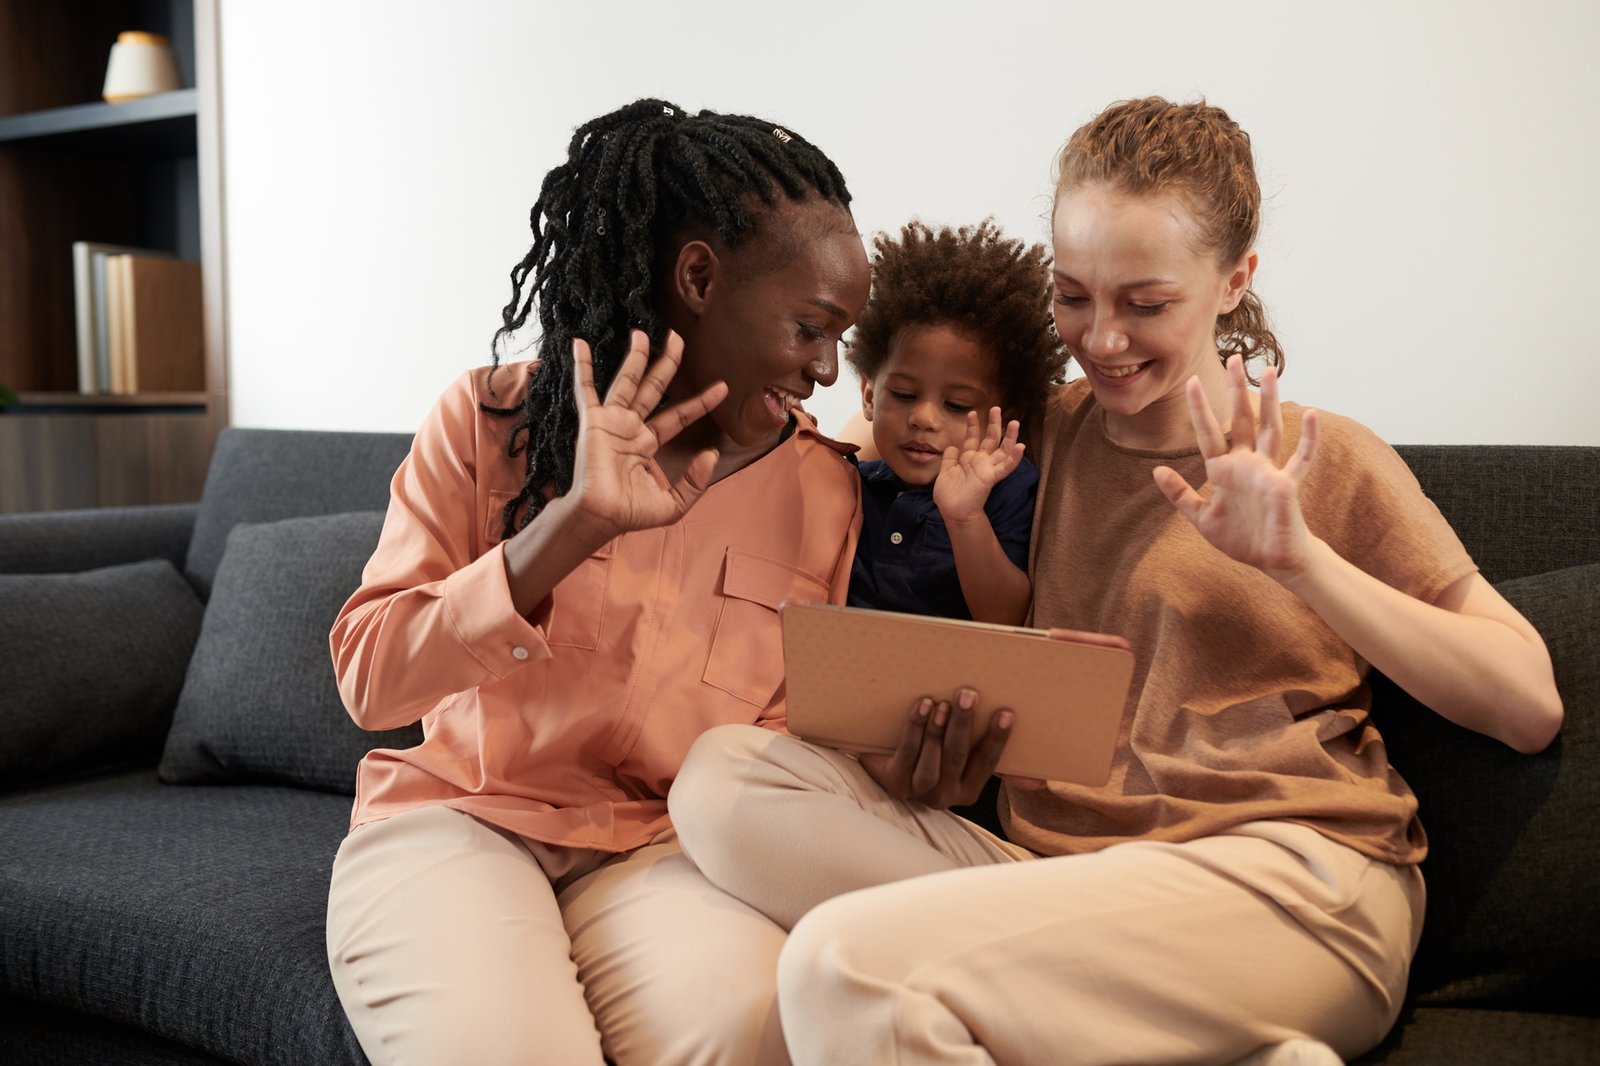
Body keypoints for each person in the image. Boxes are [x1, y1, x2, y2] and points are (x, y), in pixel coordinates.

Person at [667, 96, 1564, 1065]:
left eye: (1144, 303)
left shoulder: (1322, 455)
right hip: (1056, 874)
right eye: (1072, 295)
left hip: (1294, 886)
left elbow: (1527, 703)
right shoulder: (1031, 433)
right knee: (720, 785)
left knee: (837, 970)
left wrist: (1299, 559)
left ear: (1233, 281)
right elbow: (862, 439)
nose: (1100, 338)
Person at [324, 98, 871, 1066]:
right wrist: (569, 526)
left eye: (843, 336)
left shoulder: (827, 487)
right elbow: (371, 682)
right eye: (808, 326)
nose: (827, 369)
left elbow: (789, 735)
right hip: (462, 820)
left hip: (666, 852)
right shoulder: (489, 422)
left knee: (752, 1034)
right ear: (697, 275)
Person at [845, 219, 1066, 625]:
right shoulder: (849, 484)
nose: (924, 418)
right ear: (869, 395)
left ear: (1005, 416)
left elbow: (1008, 617)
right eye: (904, 395)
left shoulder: (1008, 491)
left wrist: (965, 518)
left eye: (957, 404)